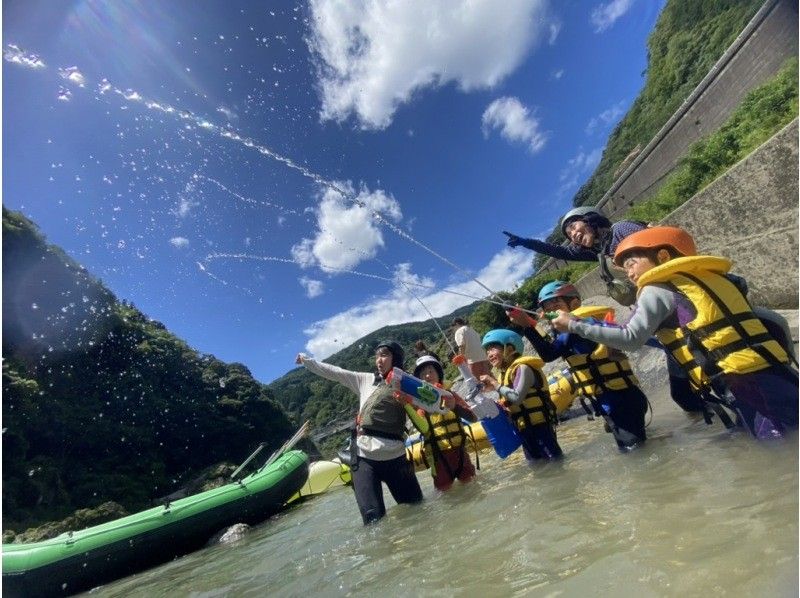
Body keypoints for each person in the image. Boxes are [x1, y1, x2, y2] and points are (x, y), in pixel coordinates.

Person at [550, 226, 798, 439]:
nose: (629, 273)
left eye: (631, 264)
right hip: (777, 369)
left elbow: (631, 338)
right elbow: (771, 319)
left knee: (778, 445)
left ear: (663, 255)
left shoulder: (655, 288)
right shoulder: (716, 277)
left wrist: (573, 324)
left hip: (744, 382)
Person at [504, 206, 707, 416]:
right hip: (659, 315)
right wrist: (524, 242)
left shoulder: (621, 230)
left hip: (674, 304)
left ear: (591, 220)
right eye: (568, 234)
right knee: (685, 396)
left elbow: (660, 253)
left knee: (696, 387)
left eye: (574, 226)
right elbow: (559, 251)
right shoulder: (598, 251)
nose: (573, 235)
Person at [508, 281, 649, 450]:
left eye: (556, 305)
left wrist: (526, 326)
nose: (552, 311)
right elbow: (553, 343)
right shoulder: (583, 324)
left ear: (574, 304)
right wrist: (530, 324)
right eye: (547, 308)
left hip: (617, 400)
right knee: (637, 445)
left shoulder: (577, 326)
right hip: (622, 396)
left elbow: (549, 353)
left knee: (632, 451)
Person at [295, 341, 423, 524]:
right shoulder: (365, 379)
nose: (379, 360)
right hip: (364, 458)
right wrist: (308, 362)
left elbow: (428, 403)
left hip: (395, 455)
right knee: (373, 522)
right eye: (377, 355)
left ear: (397, 358)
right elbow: (336, 372)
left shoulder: (407, 384)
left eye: (385, 355)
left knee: (417, 509)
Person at [478, 329, 563, 461]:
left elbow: (517, 397)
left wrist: (495, 384)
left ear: (510, 348)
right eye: (487, 350)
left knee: (555, 465)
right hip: (524, 430)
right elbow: (509, 400)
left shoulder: (523, 368)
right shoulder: (504, 374)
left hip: (540, 428)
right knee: (538, 470)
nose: (489, 354)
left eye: (493, 348)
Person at [399, 353, 478, 491]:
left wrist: (455, 406)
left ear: (438, 374)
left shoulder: (450, 396)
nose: (428, 376)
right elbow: (423, 429)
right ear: (419, 380)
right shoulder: (420, 404)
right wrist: (407, 406)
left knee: (472, 488)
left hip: (460, 453)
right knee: (445, 496)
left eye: (431, 371)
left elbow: (473, 417)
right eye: (423, 374)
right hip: (438, 458)